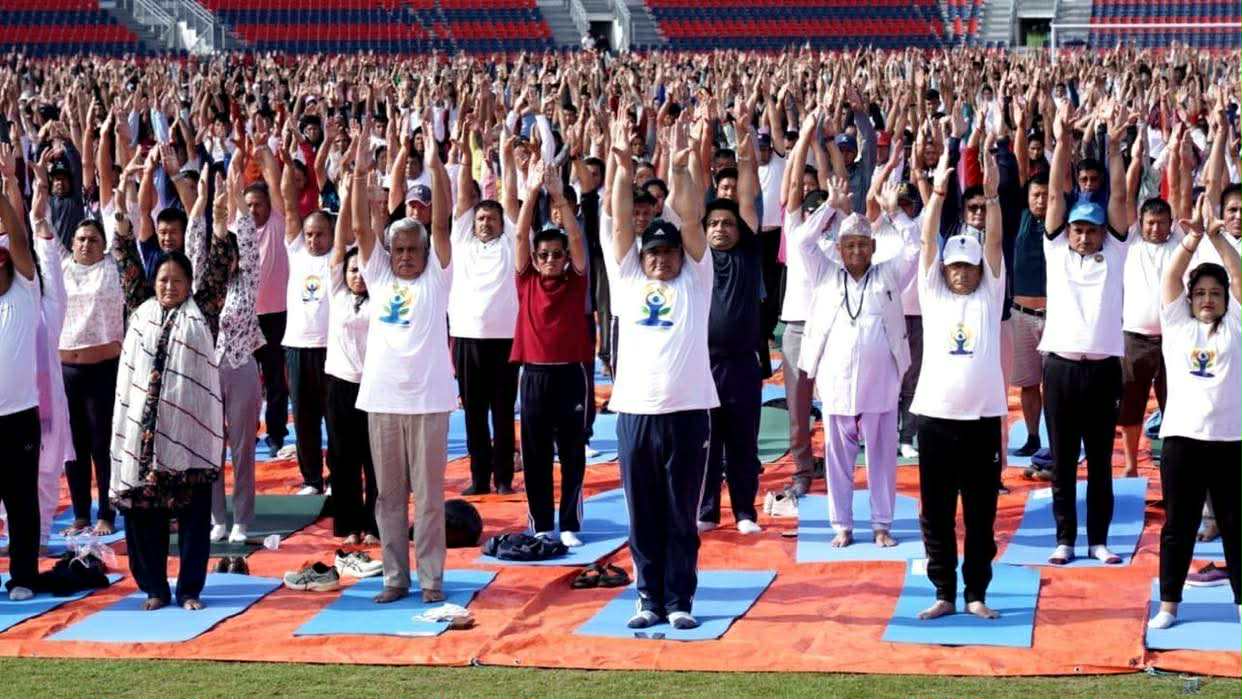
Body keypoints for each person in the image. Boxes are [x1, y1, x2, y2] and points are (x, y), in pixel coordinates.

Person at [607, 116, 716, 631]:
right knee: (642, 512)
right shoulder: (627, 276)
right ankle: (647, 597)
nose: (662, 261)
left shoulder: (696, 279)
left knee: (680, 512)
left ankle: (680, 600)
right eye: (654, 253)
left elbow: (692, 220)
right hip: (635, 410)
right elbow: (619, 222)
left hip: (689, 410)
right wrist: (622, 169)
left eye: (669, 253)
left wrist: (679, 168)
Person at [109, 177, 236, 611]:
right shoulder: (140, 308)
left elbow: (219, 274)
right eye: (162, 279)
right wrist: (124, 220)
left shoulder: (202, 311)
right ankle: (155, 589)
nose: (169, 286)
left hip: (188, 436)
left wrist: (219, 227)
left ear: (187, 283)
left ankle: (189, 591)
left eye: (177, 279)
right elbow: (125, 262)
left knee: (194, 516)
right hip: (143, 442)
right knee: (146, 518)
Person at [351, 121, 454, 605]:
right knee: (389, 498)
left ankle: (431, 579)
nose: (407, 256)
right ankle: (396, 577)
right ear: (389, 253)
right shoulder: (379, 276)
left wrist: (433, 161)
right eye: (400, 250)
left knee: (430, 501)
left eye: (414, 249)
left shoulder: (437, 277)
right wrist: (357, 174)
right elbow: (358, 229)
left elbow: (444, 221)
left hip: (430, 402)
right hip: (383, 401)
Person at [912, 142, 1006, 620]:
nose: (963, 274)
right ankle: (944, 592)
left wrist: (990, 196)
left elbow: (992, 245)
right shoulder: (934, 294)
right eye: (956, 267)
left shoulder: (990, 295)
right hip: (934, 419)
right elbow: (928, 244)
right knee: (936, 512)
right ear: (946, 269)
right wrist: (935, 195)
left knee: (981, 515)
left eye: (969, 268)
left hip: (983, 419)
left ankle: (976, 594)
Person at [798, 177, 919, 548]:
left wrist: (894, 212)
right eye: (848, 245)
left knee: (882, 457)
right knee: (837, 458)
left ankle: (882, 523)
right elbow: (802, 241)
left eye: (862, 245)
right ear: (838, 247)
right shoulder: (825, 273)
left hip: (880, 383)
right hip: (836, 382)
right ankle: (842, 525)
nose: (855, 251)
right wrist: (830, 207)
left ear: (873, 247)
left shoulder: (888, 274)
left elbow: (915, 247)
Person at [1039, 102, 1131, 566]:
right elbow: (1056, 194)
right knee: (1062, 463)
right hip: (1060, 369)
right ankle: (1065, 540)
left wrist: (1112, 146)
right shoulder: (1056, 252)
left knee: (1099, 463)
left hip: (1103, 372)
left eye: (1090, 230)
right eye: (1077, 229)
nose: (1083, 236)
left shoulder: (1115, 253)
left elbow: (1116, 201)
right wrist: (1062, 141)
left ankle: (1098, 540)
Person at [1148, 194, 1242, 629]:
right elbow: (1169, 281)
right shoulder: (1178, 324)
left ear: (1224, 299)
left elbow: (1239, 280)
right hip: (1184, 440)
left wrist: (1219, 238)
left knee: (1235, 526)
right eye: (1200, 293)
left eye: (1214, 294)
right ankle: (1170, 603)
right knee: (1178, 527)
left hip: (1230, 441)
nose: (1207, 299)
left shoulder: (1237, 326)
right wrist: (1191, 242)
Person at [512, 160, 592, 547]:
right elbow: (519, 236)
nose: (549, 260)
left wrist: (559, 196)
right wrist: (531, 195)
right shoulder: (526, 279)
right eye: (543, 254)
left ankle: (570, 523)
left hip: (570, 375)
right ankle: (542, 520)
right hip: (534, 375)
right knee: (536, 452)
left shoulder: (575, 281)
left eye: (555, 255)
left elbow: (577, 242)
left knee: (573, 452)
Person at [699, 120, 763, 535]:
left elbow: (750, 194)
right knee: (705, 443)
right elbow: (694, 193)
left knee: (742, 441)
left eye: (728, 224)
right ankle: (706, 511)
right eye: (714, 224)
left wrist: (745, 148)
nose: (721, 229)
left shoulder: (749, 251)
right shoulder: (695, 258)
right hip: (702, 364)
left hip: (742, 363)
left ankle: (744, 511)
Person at [450, 117, 519, 496]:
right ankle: (479, 478)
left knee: (503, 412)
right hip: (467, 339)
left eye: (491, 218)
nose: (485, 222)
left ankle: (504, 477)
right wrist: (463, 154)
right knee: (473, 412)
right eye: (480, 218)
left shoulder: (509, 241)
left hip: (505, 340)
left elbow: (509, 199)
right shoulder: (462, 240)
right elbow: (463, 196)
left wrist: (506, 159)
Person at [196, 156, 263, 544]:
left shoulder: (247, 282)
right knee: (209, 447)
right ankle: (216, 517)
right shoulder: (207, 285)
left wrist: (237, 198)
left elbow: (250, 242)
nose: (232, 255)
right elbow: (196, 241)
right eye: (227, 248)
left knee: (242, 447)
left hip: (240, 366)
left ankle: (242, 518)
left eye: (235, 250)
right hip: (208, 367)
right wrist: (209, 207)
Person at [324, 175, 378, 545]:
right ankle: (348, 526)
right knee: (343, 460)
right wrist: (345, 199)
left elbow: (371, 246)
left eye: (364, 269)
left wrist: (373, 209)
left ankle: (375, 525)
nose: (358, 275)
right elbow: (341, 247)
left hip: (375, 386)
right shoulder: (338, 293)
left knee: (375, 461)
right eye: (352, 270)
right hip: (340, 384)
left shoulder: (383, 297)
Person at [278, 139, 333, 495]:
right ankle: (312, 478)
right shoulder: (295, 249)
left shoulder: (340, 257)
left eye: (319, 235)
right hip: (297, 346)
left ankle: (338, 475)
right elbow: (287, 203)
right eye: (309, 234)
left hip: (332, 348)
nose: (312, 240)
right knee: (305, 417)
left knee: (337, 418)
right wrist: (283, 161)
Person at [0, 158, 43, 601]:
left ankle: (24, 577)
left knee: (21, 502)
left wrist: (2, 191)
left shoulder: (24, 290)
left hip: (19, 417)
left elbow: (19, 243)